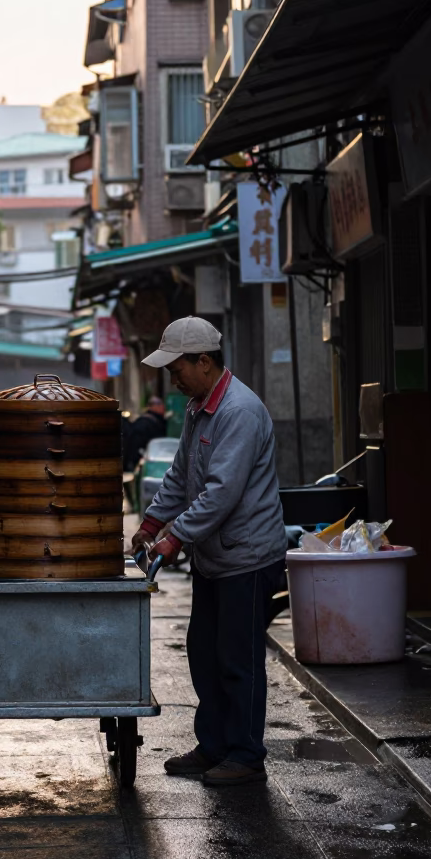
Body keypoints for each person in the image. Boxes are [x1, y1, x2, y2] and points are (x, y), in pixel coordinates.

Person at [131, 316, 286, 787]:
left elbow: (221, 493)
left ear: (205, 361)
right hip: (216, 559)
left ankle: (245, 752)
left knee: (238, 659)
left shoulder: (239, 411)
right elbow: (180, 476)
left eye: (177, 369)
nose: (173, 380)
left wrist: (175, 537)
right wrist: (152, 522)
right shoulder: (199, 407)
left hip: (249, 559)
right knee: (205, 653)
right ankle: (215, 743)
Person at [123, 396, 167, 472]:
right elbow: (135, 444)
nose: (163, 407)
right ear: (152, 406)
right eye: (159, 404)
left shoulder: (157, 421)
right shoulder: (144, 423)